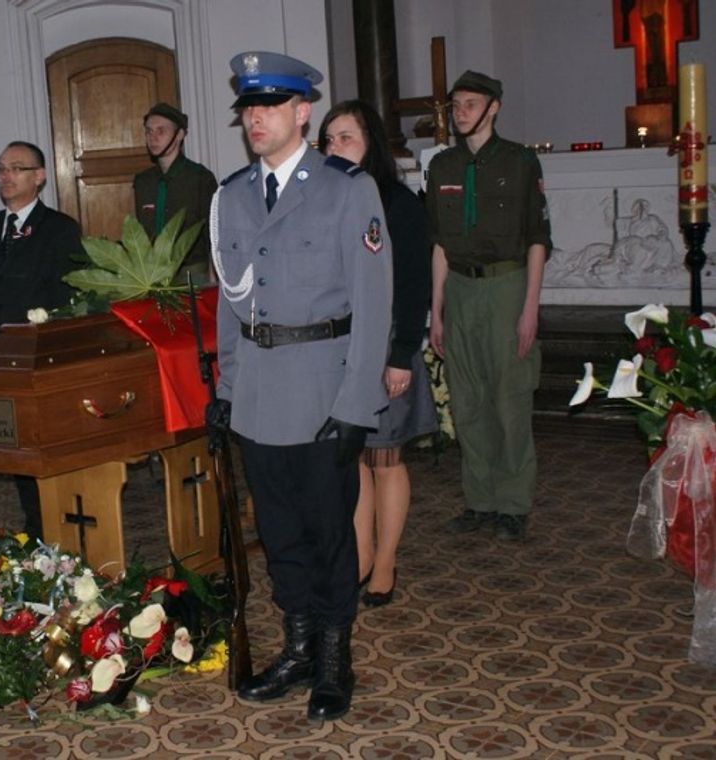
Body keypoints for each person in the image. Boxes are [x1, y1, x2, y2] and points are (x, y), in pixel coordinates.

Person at [207, 51, 392, 721]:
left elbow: (374, 305)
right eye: (247, 109)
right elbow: (231, 304)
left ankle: (335, 659)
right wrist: (227, 390)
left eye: (268, 106)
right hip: (257, 396)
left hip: (322, 394)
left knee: (329, 533)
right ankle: (299, 646)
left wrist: (356, 403)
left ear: (301, 112)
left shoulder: (347, 189)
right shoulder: (229, 196)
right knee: (279, 532)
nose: (254, 118)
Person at [319, 101, 439, 608]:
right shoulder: (325, 200)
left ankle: (384, 561)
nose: (334, 148)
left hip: (388, 342)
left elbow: (412, 285)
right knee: (353, 457)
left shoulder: (396, 202)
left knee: (385, 457)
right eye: (327, 140)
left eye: (345, 137)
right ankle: (360, 555)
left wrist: (400, 355)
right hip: (341, 346)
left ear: (371, 142)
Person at [425, 71, 551, 542]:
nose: (460, 112)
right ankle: (479, 500)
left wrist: (530, 308)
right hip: (459, 288)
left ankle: (513, 504)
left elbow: (538, 239)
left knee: (509, 398)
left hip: (507, 286)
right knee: (468, 400)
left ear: (493, 107)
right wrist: (436, 309)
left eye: (470, 103)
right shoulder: (442, 167)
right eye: (456, 104)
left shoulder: (520, 162)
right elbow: (438, 242)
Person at [0, 140, 82, 539]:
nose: (5, 175)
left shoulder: (60, 230)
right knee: (17, 454)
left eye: (16, 168)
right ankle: (34, 527)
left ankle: (57, 528)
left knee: (47, 453)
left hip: (42, 362)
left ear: (40, 177)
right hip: (2, 364)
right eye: (0, 168)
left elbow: (68, 302)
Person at [133, 102, 218, 283]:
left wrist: (213, 278)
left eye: (161, 131)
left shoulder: (200, 178)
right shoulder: (143, 182)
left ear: (179, 135)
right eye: (149, 131)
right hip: (152, 276)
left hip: (193, 275)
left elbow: (213, 234)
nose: (153, 137)